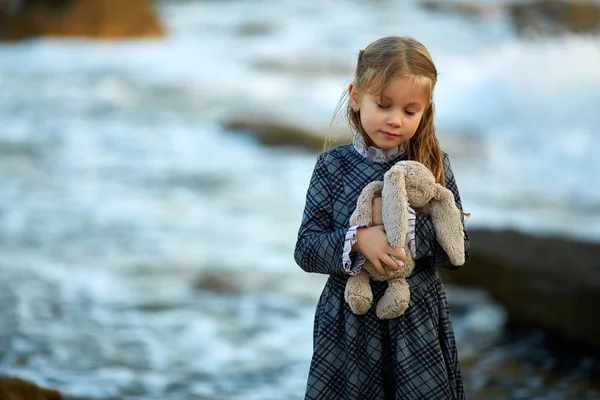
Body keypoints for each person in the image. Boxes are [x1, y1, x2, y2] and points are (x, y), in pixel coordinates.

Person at [294, 36, 470, 400]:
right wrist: (358, 239)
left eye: (409, 111)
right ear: (356, 97)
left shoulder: (433, 166)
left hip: (416, 319)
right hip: (348, 321)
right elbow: (306, 248)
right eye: (383, 105)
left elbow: (457, 249)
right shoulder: (332, 167)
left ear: (425, 110)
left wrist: (401, 234)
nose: (394, 120)